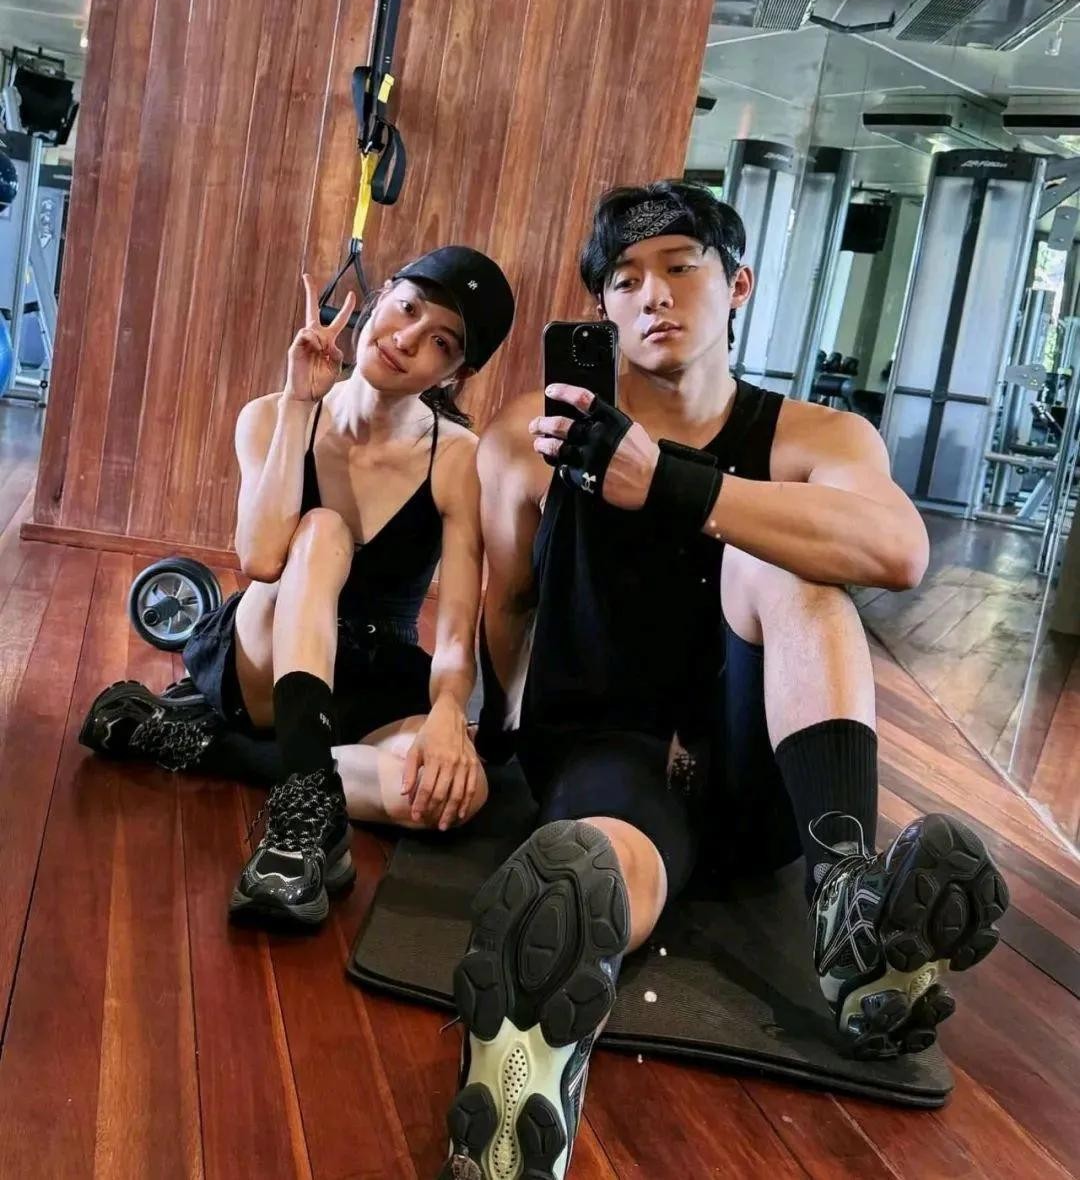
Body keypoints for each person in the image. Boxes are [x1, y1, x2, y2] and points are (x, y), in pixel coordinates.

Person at [438, 182, 1009, 1180]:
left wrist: (667, 482)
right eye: (624, 280)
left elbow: (898, 550)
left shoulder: (820, 438)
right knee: (596, 862)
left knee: (784, 555)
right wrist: (481, 736)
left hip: (762, 772)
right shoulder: (535, 435)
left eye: (679, 266)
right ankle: (530, 1049)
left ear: (737, 284)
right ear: (602, 309)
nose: (652, 294)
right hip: (608, 746)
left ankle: (848, 901)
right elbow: (511, 599)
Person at [80, 245, 515, 929]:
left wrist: (447, 711)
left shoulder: (457, 459)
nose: (406, 339)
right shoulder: (268, 416)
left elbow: (459, 628)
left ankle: (217, 750)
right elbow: (259, 558)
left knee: (453, 792)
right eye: (406, 308)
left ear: (456, 372)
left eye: (441, 341)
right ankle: (300, 827)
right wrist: (297, 402)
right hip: (262, 654)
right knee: (322, 532)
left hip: (366, 672)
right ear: (381, 296)